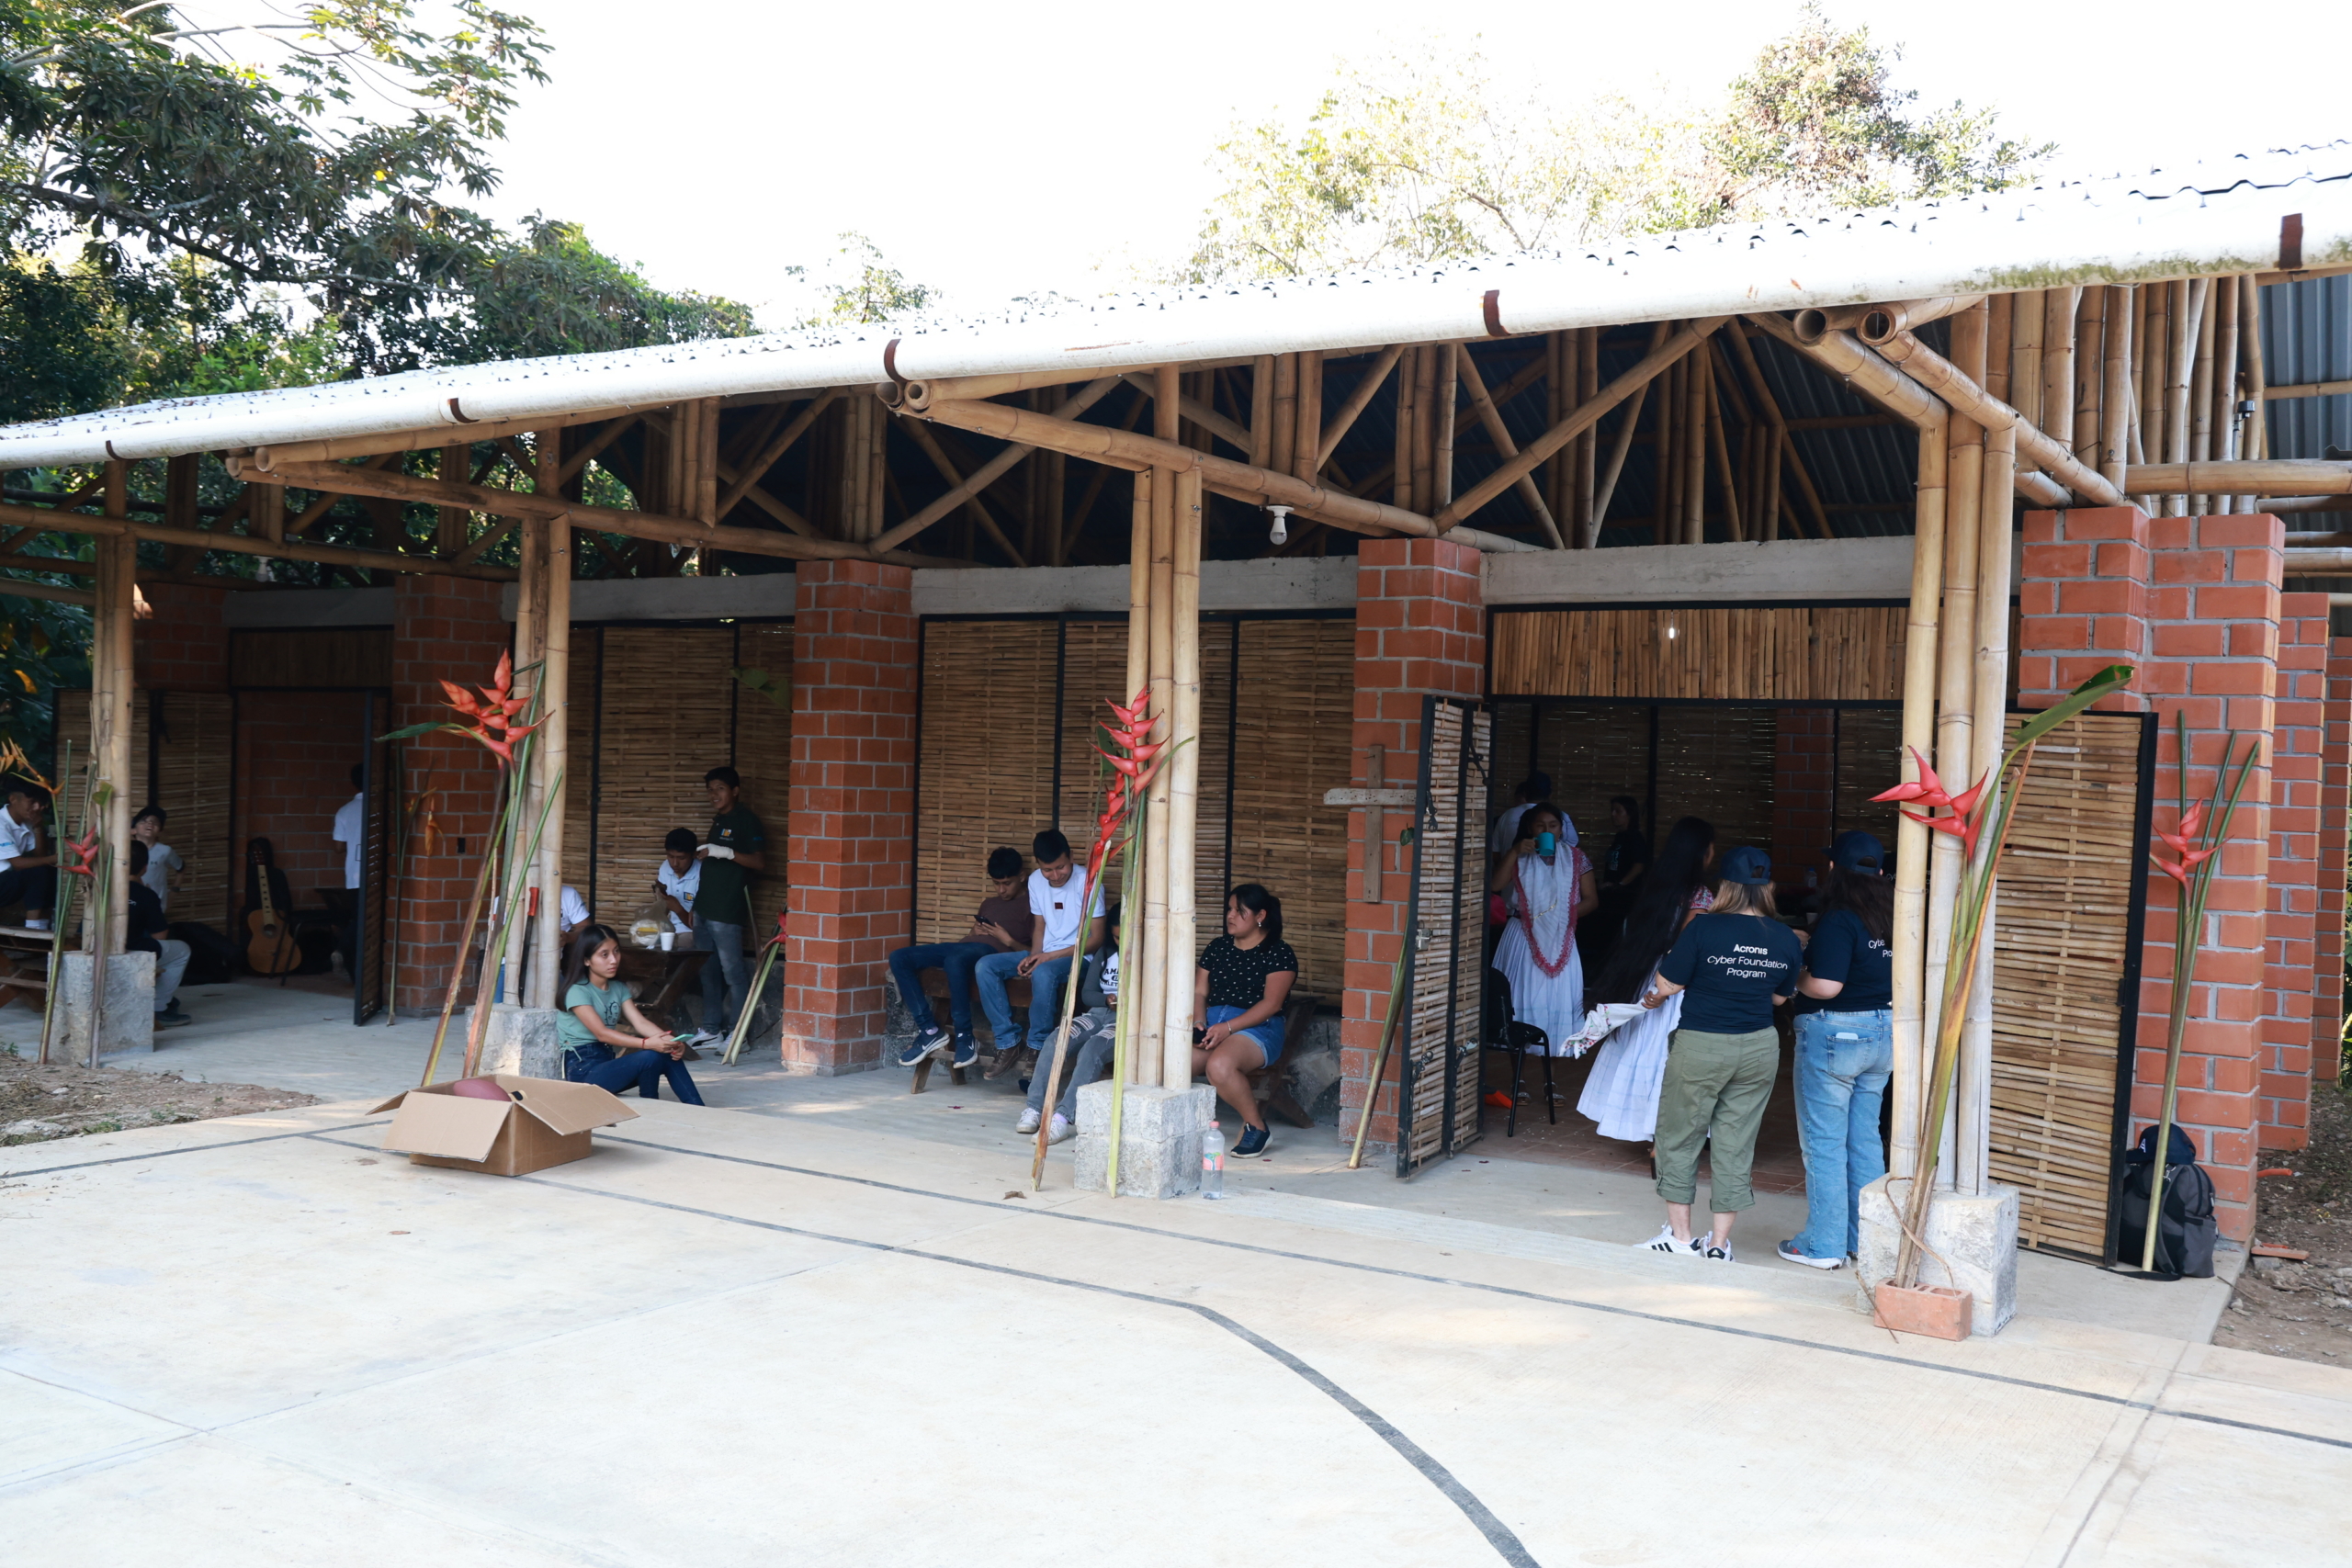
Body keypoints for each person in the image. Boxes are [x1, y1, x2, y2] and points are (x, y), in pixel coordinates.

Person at [1634, 846, 1803, 1263]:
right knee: (1736, 1143)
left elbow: (1668, 984)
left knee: (1679, 1137)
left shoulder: (1704, 928)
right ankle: (1719, 1244)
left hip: (1702, 1044)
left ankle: (1681, 1238)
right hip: (1758, 1046)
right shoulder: (1784, 936)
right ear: (1768, 886)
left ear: (1725, 885)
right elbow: (1780, 998)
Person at [1779, 832, 1895, 1270]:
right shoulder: (1896, 915)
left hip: (1837, 1035)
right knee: (1864, 1140)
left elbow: (1826, 986)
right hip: (1885, 1033)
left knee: (1824, 1143)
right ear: (1880, 872)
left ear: (1833, 869)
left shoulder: (1839, 918)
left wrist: (1794, 981)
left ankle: (1822, 1245)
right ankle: (1865, 1241)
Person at [1577, 816, 1717, 1148]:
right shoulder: (1700, 894)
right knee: (1669, 1057)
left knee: (1644, 1051)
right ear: (1703, 852)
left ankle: (1644, 1126)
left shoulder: (1659, 885)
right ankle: (1664, 1135)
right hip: (1675, 983)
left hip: (1649, 975)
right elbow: (1688, 948)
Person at [977, 829, 1103, 1078]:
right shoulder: (1035, 881)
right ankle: (1008, 1042)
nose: (1055, 876)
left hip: (1080, 958)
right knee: (985, 966)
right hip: (1046, 956)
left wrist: (1046, 959)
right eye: (1047, 870)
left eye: (1061, 867)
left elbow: (1096, 939)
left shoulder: (1089, 881)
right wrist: (1033, 956)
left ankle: (1038, 1046)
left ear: (1071, 857)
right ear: (1038, 865)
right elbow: (1040, 926)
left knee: (1044, 972)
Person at [894, 846, 1035, 1069]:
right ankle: (929, 1030)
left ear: (1022, 877)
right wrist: (973, 932)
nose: (1001, 890)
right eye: (996, 883)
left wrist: (1008, 940)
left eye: (1007, 883)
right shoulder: (989, 903)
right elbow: (968, 942)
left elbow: (1033, 952)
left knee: (955, 960)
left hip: (992, 956)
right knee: (899, 957)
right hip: (966, 949)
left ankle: (964, 1036)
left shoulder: (1032, 906)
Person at [1193, 884, 1297, 1160]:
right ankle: (1179, 1126)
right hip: (1213, 1024)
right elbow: (1200, 992)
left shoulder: (1278, 952)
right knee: (1173, 1062)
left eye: (1240, 911)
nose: (1230, 916)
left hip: (1257, 1027)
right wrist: (1199, 1022)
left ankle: (1257, 1127)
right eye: (1229, 909)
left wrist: (1228, 1028)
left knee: (1220, 1066)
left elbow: (1271, 1004)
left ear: (1260, 916)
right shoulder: (1217, 947)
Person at [1489, 804, 1597, 1059]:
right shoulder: (1519, 855)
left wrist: (1560, 916)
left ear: (1561, 830)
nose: (1547, 830)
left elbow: (1591, 900)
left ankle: (1552, 1074)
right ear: (1530, 829)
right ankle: (1519, 1074)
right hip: (1523, 935)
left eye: (1553, 825)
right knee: (1520, 999)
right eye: (1540, 825)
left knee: (1555, 1000)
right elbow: (1495, 884)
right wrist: (1514, 851)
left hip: (1561, 936)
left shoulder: (1576, 858)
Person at [558, 923, 705, 1103]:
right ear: (587, 960)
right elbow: (602, 1034)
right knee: (649, 1055)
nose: (613, 960)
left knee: (665, 1053)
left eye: (616, 952)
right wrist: (646, 1043)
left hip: (607, 1063)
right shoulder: (577, 991)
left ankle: (697, 1107)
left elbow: (640, 1023)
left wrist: (671, 1042)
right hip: (583, 1072)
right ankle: (652, 1105)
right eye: (604, 955)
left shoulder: (618, 988)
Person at [1016, 904, 1119, 1145]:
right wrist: (1106, 999)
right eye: (1117, 937)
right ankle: (1035, 1108)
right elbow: (1088, 994)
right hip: (1098, 1013)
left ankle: (1063, 1118)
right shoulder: (1105, 953)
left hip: (1127, 1021)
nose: (1122, 942)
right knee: (1057, 1038)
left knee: (1093, 1048)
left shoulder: (1149, 957)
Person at [686, 765, 765, 1046]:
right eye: (710, 789)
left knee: (733, 972)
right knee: (707, 971)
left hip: (727, 911)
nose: (714, 794)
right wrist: (696, 906)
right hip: (705, 908)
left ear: (735, 791)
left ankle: (737, 1033)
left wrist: (727, 852)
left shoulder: (746, 821)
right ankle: (711, 1029)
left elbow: (759, 862)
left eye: (720, 788)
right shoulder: (719, 821)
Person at [126, 840, 192, 1030]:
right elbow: (160, 936)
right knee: (182, 950)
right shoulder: (145, 894)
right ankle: (158, 1008)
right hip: (131, 950)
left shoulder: (100, 889)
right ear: (145, 868)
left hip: (95, 949)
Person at [1583, 795, 1650, 964]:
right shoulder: (1620, 836)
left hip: (1625, 898)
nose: (1613, 815)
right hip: (1613, 896)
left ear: (1630, 814)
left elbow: (1639, 865)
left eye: (1618, 811)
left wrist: (1620, 884)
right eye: (1612, 810)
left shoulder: (1634, 837)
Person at [0, 775, 57, 930]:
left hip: (7, 881)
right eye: (32, 802)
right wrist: (56, 858)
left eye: (39, 803)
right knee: (36, 872)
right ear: (13, 799)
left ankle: (43, 924)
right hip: (3, 881)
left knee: (49, 871)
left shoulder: (27, 822)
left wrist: (38, 827)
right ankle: (33, 927)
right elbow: (18, 864)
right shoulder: (1, 823)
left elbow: (40, 856)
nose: (37, 807)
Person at [331, 763, 365, 978]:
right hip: (379, 876)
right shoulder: (382, 809)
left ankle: (349, 963)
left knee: (359, 919)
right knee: (365, 922)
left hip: (354, 875)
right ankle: (342, 950)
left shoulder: (345, 811)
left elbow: (338, 847)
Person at [1487, 772, 1552, 865]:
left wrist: (1508, 866)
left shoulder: (1506, 815)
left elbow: (1495, 852)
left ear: (1525, 793)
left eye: (1552, 826)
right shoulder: (1559, 816)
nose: (1547, 829)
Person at [130, 806, 184, 913]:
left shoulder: (165, 851)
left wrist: (175, 890)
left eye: (155, 822)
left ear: (160, 830)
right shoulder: (126, 851)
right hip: (131, 906)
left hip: (157, 907)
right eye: (144, 820)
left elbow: (181, 868)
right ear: (133, 830)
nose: (150, 823)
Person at [653, 828, 700, 934]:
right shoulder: (665, 867)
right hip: (670, 929)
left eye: (681, 858)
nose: (674, 864)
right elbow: (663, 909)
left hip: (692, 933)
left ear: (694, 854)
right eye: (670, 856)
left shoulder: (703, 875)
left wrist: (678, 909)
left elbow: (701, 928)